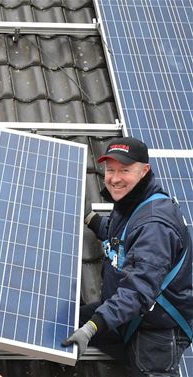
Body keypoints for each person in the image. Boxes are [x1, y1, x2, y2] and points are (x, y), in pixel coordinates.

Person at [62, 137, 193, 376]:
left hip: (157, 329)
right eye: (110, 170)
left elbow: (138, 290)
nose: (114, 178)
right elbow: (120, 238)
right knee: (64, 321)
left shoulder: (155, 224)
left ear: (144, 171)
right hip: (127, 315)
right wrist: (91, 218)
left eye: (124, 170)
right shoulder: (131, 202)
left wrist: (92, 328)